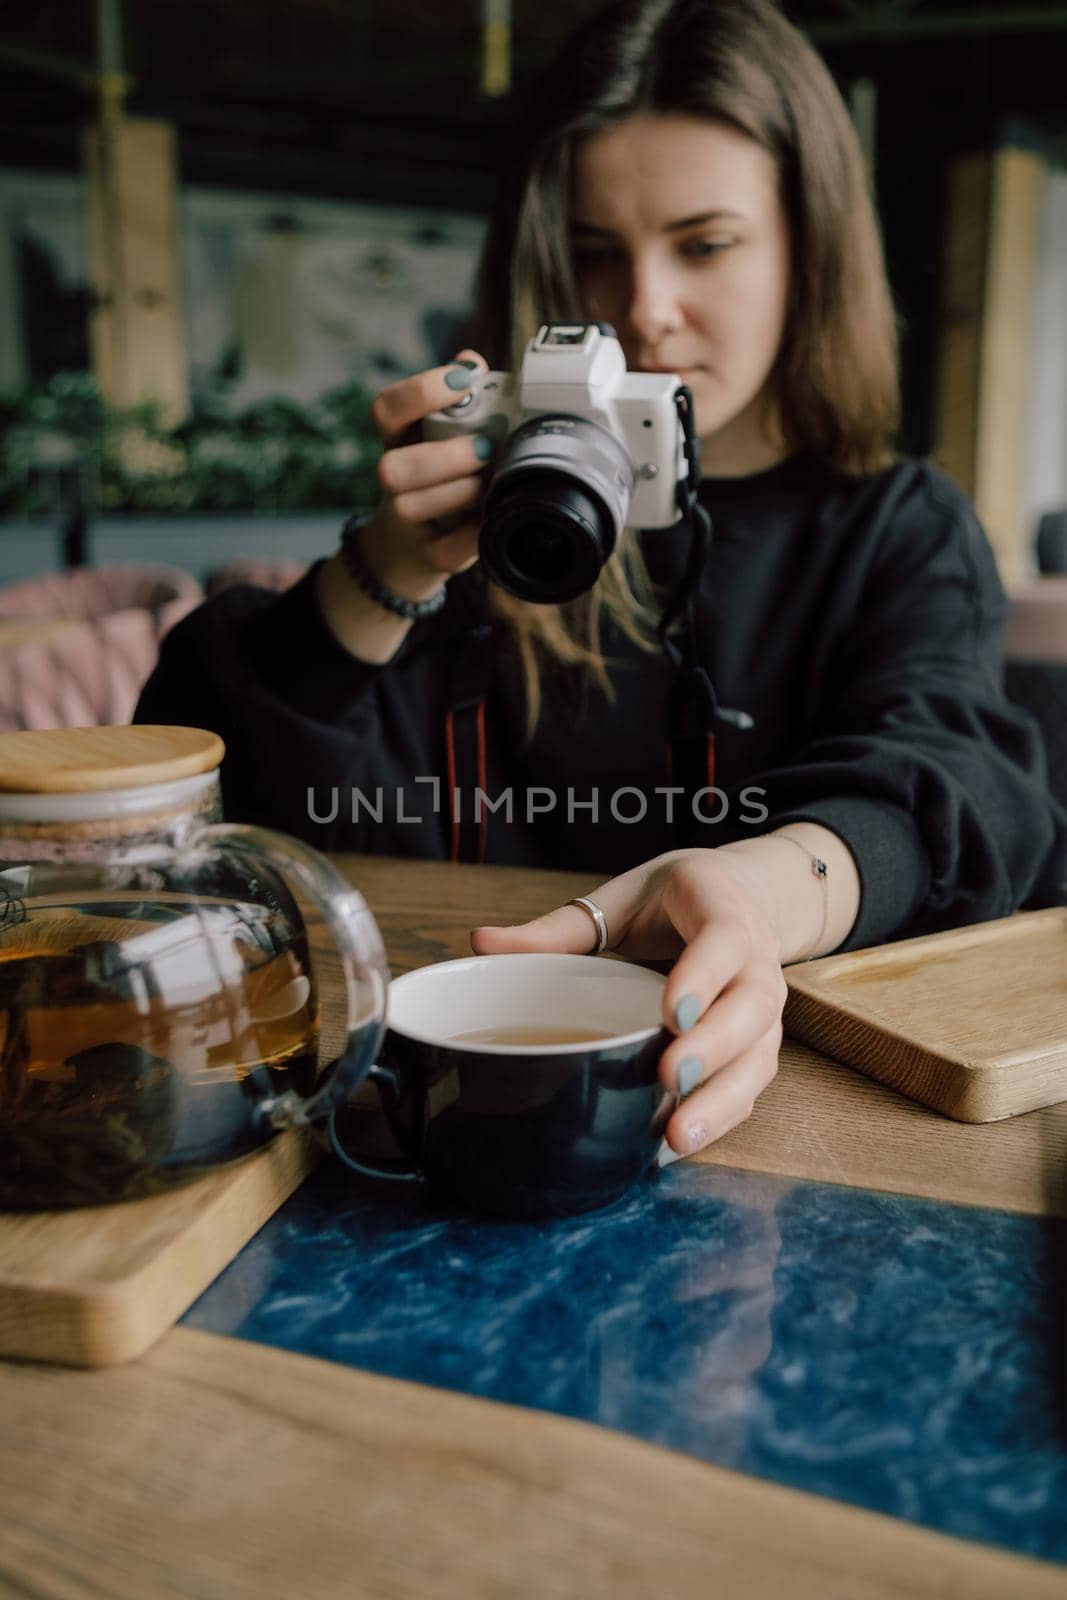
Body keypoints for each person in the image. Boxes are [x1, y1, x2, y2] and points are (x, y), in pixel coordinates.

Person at [136, 0, 1067, 1162]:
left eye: (705, 242)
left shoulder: (893, 526)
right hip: (446, 1117)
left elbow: (951, 774)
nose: (642, 308)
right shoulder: (488, 512)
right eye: (590, 249)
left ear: (806, 249)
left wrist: (752, 892)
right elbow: (206, 808)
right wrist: (375, 575)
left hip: (778, 1122)